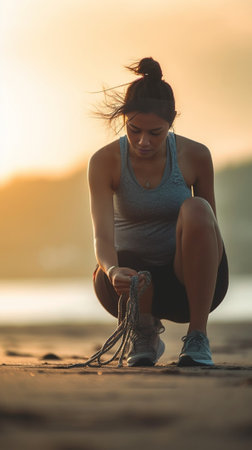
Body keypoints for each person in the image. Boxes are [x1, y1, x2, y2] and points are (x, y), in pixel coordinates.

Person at [88, 57, 229, 367]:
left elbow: (210, 229)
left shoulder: (196, 155)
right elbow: (102, 235)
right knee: (120, 266)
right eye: (134, 129)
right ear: (124, 119)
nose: (143, 141)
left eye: (155, 133)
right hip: (131, 285)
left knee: (197, 208)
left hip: (189, 281)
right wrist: (112, 271)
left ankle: (197, 337)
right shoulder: (104, 161)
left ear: (171, 121)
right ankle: (144, 331)